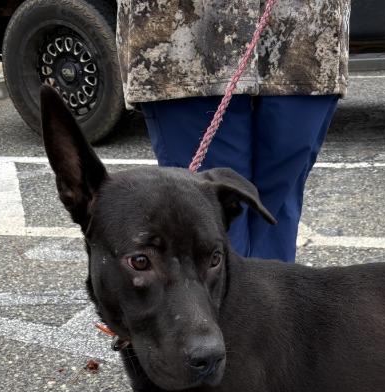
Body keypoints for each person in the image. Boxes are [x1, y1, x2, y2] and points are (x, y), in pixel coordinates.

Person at [115, 0, 351, 262]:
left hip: (305, 31)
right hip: (186, 34)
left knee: (276, 219)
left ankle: (271, 301)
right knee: (205, 220)